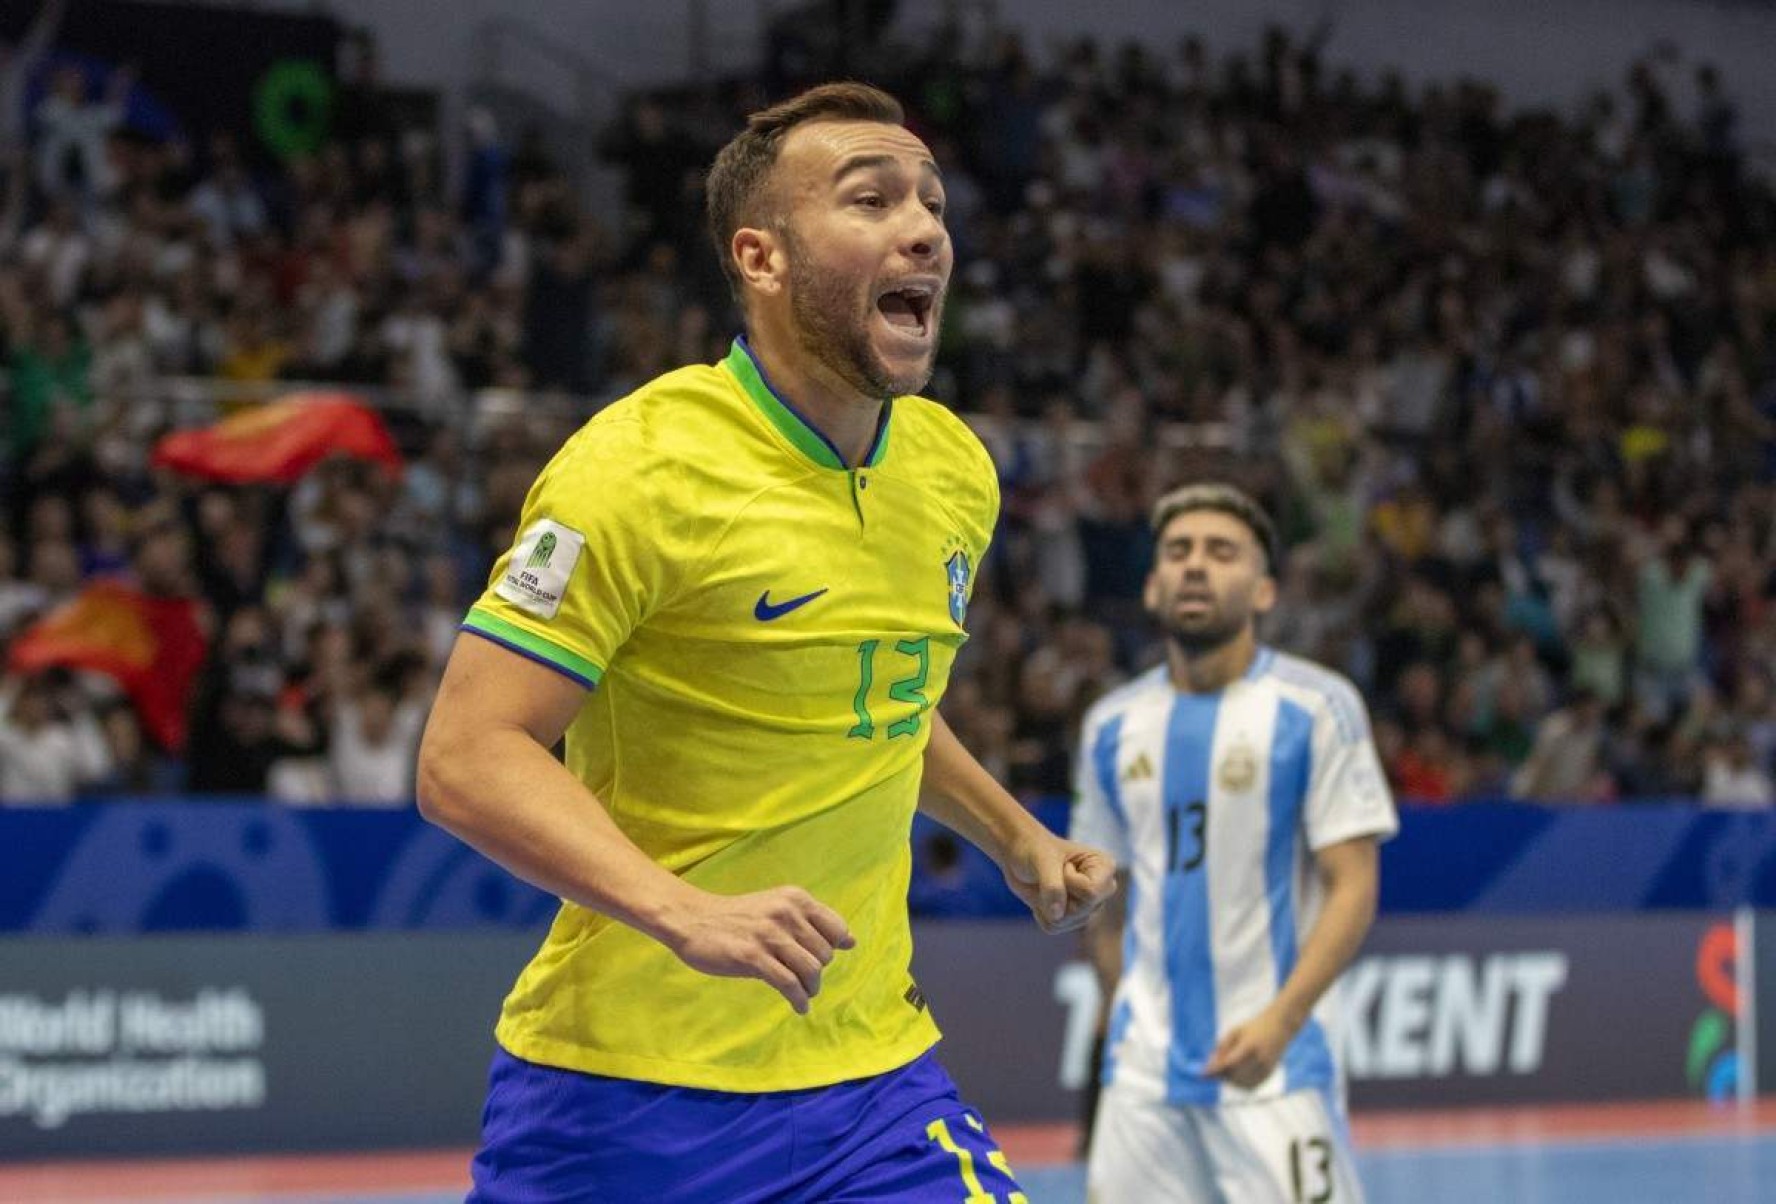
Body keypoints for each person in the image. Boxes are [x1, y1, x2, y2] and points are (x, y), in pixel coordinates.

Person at [416, 81, 1116, 1203]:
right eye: (872, 198)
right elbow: (467, 756)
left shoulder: (952, 472)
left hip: (873, 1083)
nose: (925, 226)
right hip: (626, 1101)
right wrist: (683, 909)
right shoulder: (637, 468)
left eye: (931, 200)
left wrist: (1012, 832)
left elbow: (873, 700)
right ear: (763, 256)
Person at [1073, 482, 1396, 1204]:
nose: (1196, 567)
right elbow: (1104, 904)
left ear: (1264, 591)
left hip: (1274, 1071)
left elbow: (1354, 886)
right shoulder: (1111, 726)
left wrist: (1281, 1022)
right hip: (1144, 1083)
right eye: (1178, 552)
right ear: (1152, 586)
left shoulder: (1318, 708)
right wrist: (1126, 1011)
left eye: (1223, 553)